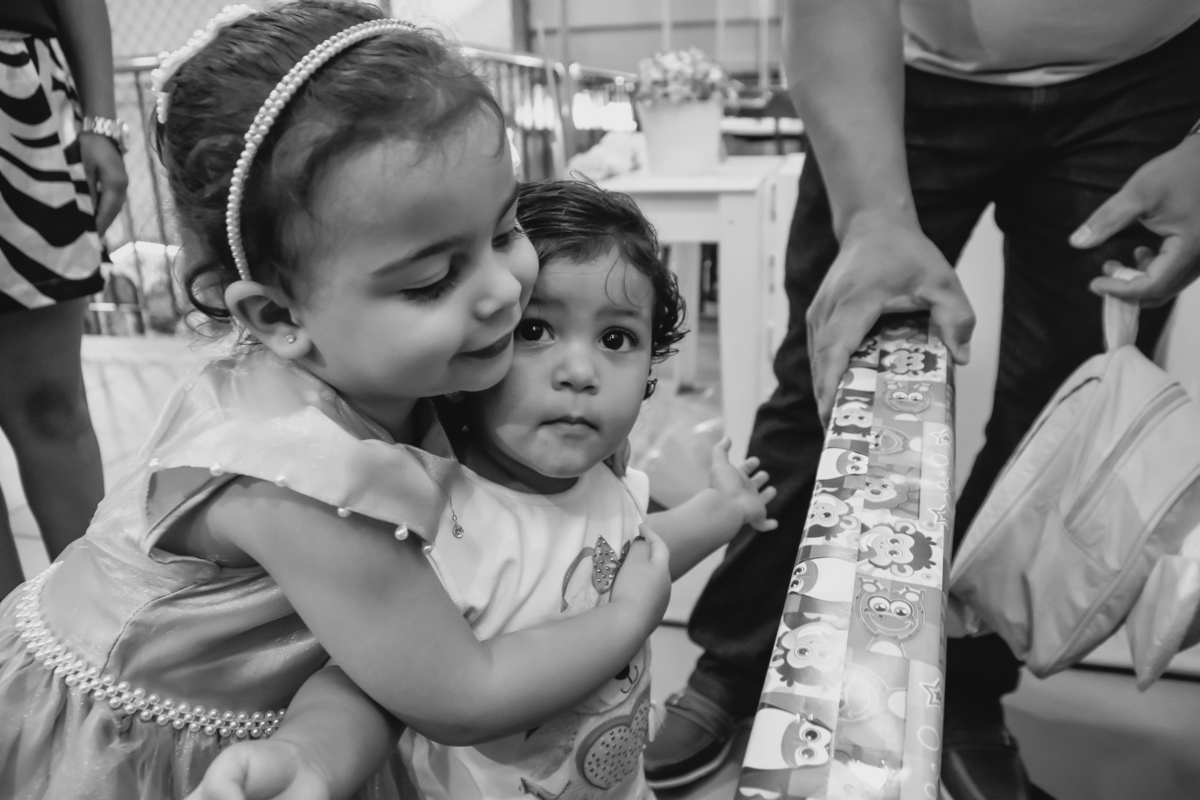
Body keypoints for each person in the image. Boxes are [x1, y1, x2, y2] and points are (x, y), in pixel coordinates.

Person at [0, 5, 675, 798]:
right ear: (280, 318)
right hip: (148, 743)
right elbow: (462, 694)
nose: (502, 293)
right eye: (432, 281)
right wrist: (631, 611)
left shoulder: (389, 361)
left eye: (503, 231)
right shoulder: (305, 478)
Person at [644, 1, 1200, 798]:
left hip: (1149, 77)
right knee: (825, 382)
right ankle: (737, 660)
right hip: (899, 69)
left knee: (1063, 418)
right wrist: (872, 214)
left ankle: (966, 692)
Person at [185, 177, 780, 800]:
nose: (580, 373)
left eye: (615, 339)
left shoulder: (601, 478)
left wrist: (722, 509)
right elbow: (371, 686)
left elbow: (636, 562)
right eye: (536, 331)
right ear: (474, 349)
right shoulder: (432, 513)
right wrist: (309, 757)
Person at [0, 0, 128, 599]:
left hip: (15, 101)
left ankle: (99, 641)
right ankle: (8, 666)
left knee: (51, 403)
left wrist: (100, 122)